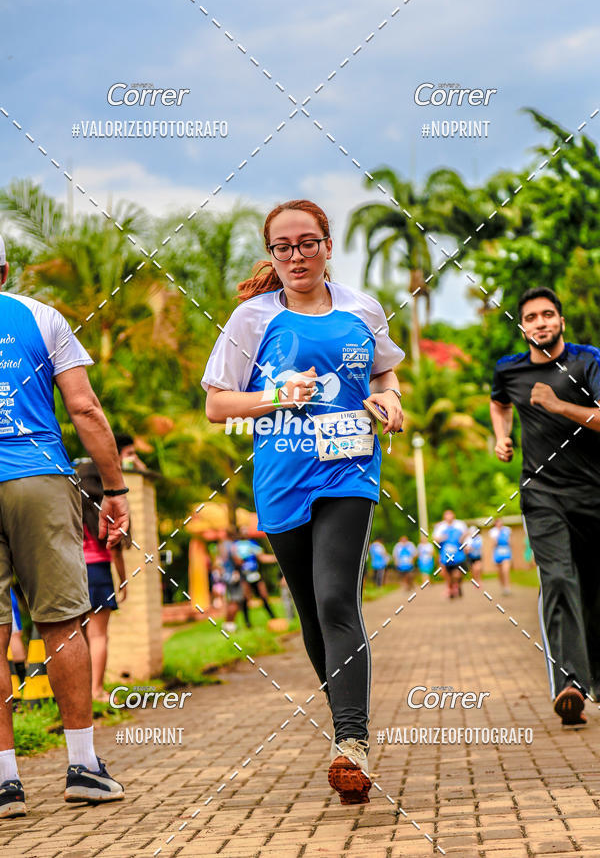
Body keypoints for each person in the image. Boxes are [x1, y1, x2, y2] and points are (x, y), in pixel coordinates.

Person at [202, 199, 404, 805]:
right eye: (283, 247)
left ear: (327, 245)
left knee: (338, 595)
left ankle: (351, 744)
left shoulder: (362, 309)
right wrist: (274, 397)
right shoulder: (250, 319)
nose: (296, 255)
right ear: (271, 254)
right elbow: (217, 405)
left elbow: (385, 374)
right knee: (312, 611)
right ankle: (348, 728)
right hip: (283, 477)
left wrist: (391, 404)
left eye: (307, 243)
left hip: (348, 468)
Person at [0, 235, 128, 817]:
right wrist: (115, 489)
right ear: (4, 269)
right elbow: (84, 408)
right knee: (63, 621)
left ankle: (5, 781)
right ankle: (83, 767)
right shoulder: (41, 317)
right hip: (38, 478)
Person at [491, 285, 600, 726]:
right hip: (541, 494)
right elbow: (499, 404)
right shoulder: (509, 370)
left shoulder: (587, 360)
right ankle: (569, 684)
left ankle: (593, 678)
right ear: (522, 326)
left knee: (592, 589)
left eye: (548, 314)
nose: (541, 322)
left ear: (561, 321)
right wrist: (501, 436)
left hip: (593, 495)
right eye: (532, 316)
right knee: (557, 579)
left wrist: (559, 406)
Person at [77, 460, 127, 702]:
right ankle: (96, 690)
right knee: (98, 635)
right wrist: (123, 580)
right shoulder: (103, 510)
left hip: (75, 574)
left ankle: (80, 692)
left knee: (78, 635)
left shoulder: (71, 508)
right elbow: (115, 550)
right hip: (99, 573)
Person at [234, 533, 275, 619]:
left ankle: (273, 617)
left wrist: (277, 558)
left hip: (255, 573)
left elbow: (262, 557)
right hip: (244, 575)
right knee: (245, 598)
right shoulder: (235, 545)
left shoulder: (252, 543)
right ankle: (247, 623)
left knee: (263, 595)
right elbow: (235, 560)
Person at [218, 529, 251, 633]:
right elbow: (236, 559)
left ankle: (227, 623)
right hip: (234, 575)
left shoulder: (222, 545)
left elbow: (219, 562)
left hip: (226, 575)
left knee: (230, 600)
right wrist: (242, 561)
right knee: (235, 601)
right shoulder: (232, 545)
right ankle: (231, 625)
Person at [433, 510, 468, 599]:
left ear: (453, 515)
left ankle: (458, 585)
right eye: (447, 515)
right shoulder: (440, 527)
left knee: (457, 573)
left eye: (450, 515)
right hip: (445, 555)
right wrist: (442, 538)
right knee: (448, 574)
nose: (449, 517)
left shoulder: (460, 525)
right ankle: (452, 588)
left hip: (458, 555)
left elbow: (467, 534)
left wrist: (462, 539)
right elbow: (435, 539)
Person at [489, 518, 512, 596]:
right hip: (497, 553)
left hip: (506, 552)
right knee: (500, 572)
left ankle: (507, 587)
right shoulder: (493, 531)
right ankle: (502, 587)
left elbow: (510, 542)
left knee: (505, 570)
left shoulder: (507, 530)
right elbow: (493, 544)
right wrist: (498, 535)